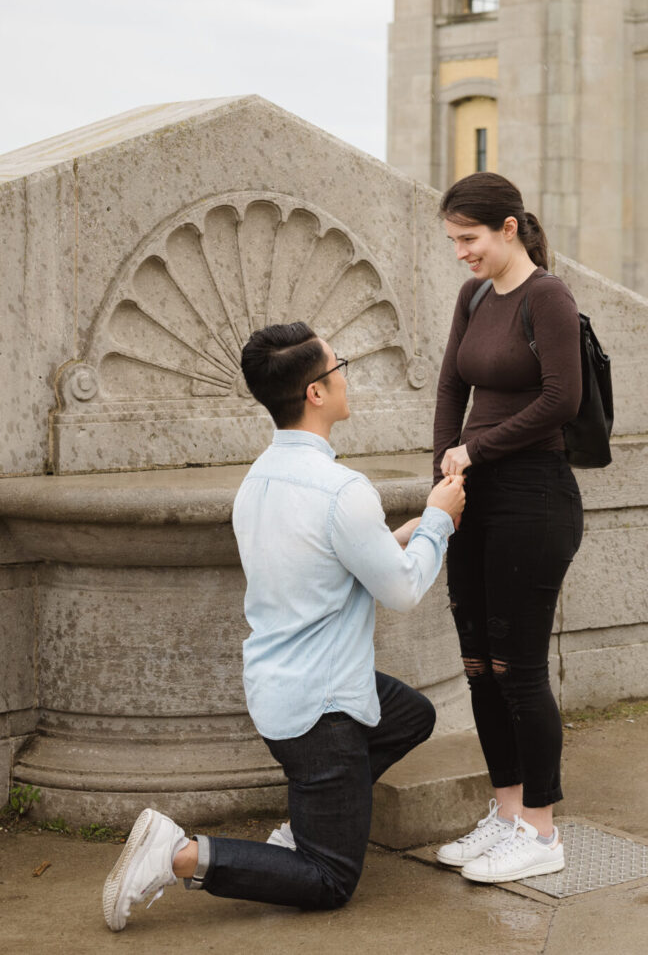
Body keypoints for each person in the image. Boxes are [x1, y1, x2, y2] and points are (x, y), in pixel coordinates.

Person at [102, 321, 465, 931]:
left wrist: (400, 534)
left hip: (278, 690)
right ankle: (178, 854)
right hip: (321, 713)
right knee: (329, 879)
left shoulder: (258, 480)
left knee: (411, 715)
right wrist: (438, 520)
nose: (347, 374)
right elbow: (401, 589)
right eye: (339, 365)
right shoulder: (341, 489)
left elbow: (339, 558)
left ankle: (309, 818)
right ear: (316, 393)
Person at [432, 173, 583, 884]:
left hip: (533, 497)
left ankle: (543, 833)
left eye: (470, 239)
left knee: (519, 670)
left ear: (509, 229)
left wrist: (479, 449)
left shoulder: (546, 295)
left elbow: (562, 398)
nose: (461, 253)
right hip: (475, 499)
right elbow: (450, 387)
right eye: (455, 241)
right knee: (478, 668)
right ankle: (507, 813)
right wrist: (444, 474)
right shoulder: (472, 297)